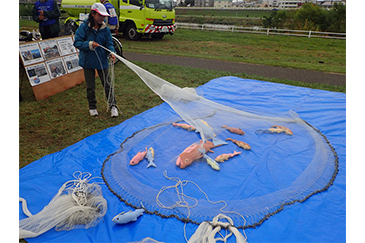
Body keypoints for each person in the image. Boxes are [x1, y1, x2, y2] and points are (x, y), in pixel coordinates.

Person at [74, 3, 119, 118]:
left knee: (107, 84)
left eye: (104, 16)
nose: (102, 18)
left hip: (101, 61)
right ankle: (92, 107)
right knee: (90, 86)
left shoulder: (106, 29)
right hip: (87, 61)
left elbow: (109, 43)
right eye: (100, 15)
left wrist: (112, 52)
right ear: (93, 14)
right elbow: (77, 42)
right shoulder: (84, 27)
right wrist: (89, 44)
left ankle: (113, 106)